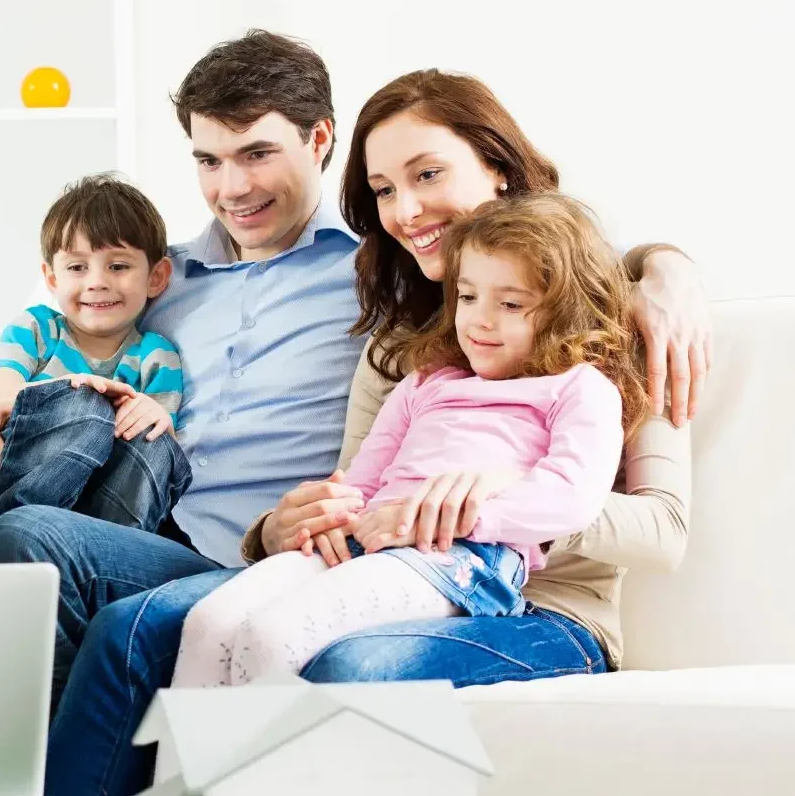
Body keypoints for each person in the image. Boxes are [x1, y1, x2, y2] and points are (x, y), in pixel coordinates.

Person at [41, 67, 697, 796]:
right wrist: (279, 528)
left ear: (501, 170)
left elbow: (662, 531)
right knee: (137, 626)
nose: (405, 208)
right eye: (383, 189)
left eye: (427, 173)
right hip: (376, 566)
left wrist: (477, 507)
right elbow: (358, 487)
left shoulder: (617, 323)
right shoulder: (400, 347)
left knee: (350, 664)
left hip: (543, 606)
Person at [0, 30, 365, 704]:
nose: (230, 188)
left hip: (213, 555)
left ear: (317, 141)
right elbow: (22, 357)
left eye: (256, 154)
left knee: (28, 534)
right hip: (45, 511)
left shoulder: (374, 278)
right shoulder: (149, 272)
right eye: (208, 160)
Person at [170, 194, 649, 689]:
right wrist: (333, 518)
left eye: (510, 304)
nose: (480, 320)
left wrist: (457, 513)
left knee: (274, 636)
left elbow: (572, 497)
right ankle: (195, 767)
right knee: (210, 624)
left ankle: (269, 765)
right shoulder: (424, 384)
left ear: (565, 310)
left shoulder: (580, 387)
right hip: (368, 540)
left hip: (462, 557)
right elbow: (362, 481)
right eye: (467, 297)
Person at [0, 173, 192, 560]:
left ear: (156, 277)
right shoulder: (37, 328)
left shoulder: (156, 355)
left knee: (155, 446)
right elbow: (1, 400)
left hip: (84, 511)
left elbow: (157, 441)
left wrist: (152, 413)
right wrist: (74, 394)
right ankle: (2, 547)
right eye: (77, 268)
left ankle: (96, 557)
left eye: (118, 266)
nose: (97, 282)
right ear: (51, 277)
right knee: (84, 409)